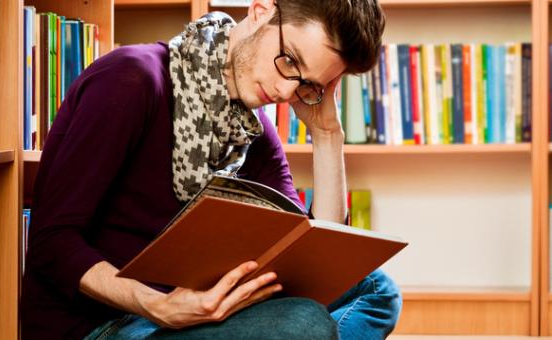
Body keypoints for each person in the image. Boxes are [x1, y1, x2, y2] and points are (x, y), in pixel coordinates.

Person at [20, 0, 399, 339]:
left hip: (201, 307)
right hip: (106, 322)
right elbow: (51, 241)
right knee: (303, 323)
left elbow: (314, 261)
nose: (286, 92)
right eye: (290, 61)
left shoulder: (252, 128)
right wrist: (157, 306)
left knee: (377, 290)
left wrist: (326, 132)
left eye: (308, 84)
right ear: (261, 11)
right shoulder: (132, 80)